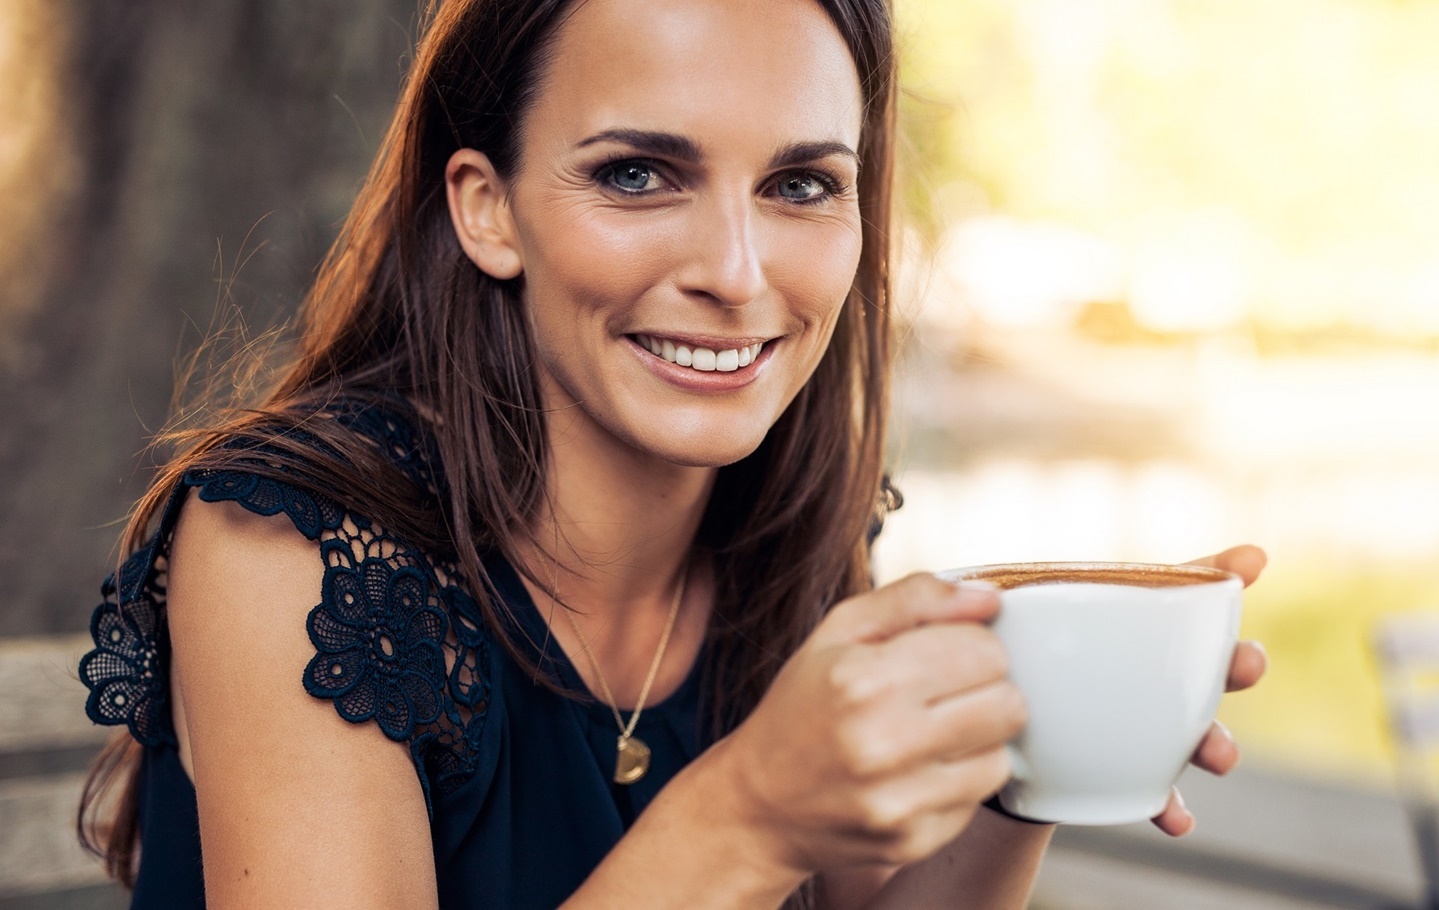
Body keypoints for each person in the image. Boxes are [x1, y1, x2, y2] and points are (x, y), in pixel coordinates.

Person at [76, 0, 1269, 907]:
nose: (738, 273)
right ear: (488, 208)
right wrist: (748, 819)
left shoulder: (785, 525)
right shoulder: (290, 546)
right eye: (638, 175)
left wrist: (1034, 761)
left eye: (802, 183)